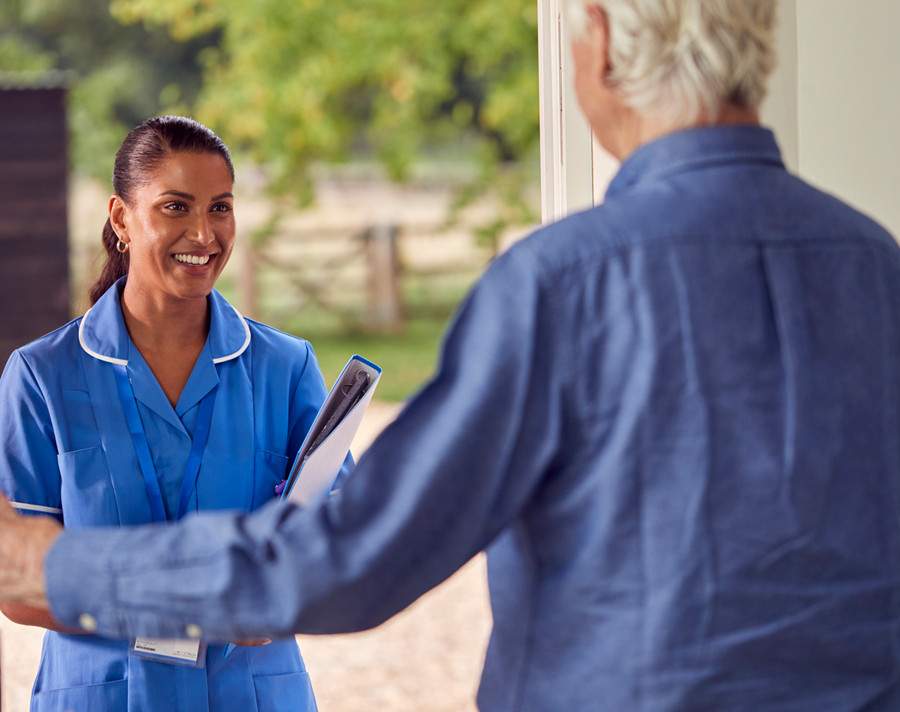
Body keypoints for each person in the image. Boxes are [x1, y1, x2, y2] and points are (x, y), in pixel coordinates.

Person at [2, 0, 900, 709]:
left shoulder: (565, 284)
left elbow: (351, 554)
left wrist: (61, 566)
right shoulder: (879, 269)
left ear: (602, 45)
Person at [0, 116, 350, 711]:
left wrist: (288, 593)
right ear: (121, 220)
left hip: (253, 696)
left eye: (220, 208)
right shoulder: (41, 377)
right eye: (175, 207)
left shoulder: (286, 369)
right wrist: (186, 608)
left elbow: (335, 538)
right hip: (105, 697)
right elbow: (17, 581)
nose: (203, 234)